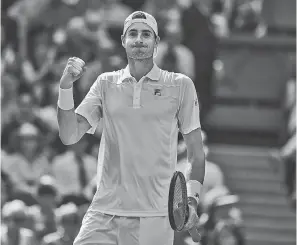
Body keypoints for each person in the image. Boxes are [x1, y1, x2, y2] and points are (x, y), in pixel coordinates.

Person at [57, 11, 205, 245]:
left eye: (146, 34)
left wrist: (192, 200)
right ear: (123, 41)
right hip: (104, 211)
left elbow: (196, 154)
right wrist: (65, 88)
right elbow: (68, 135)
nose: (139, 39)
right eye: (133, 33)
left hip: (155, 216)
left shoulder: (181, 85)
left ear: (156, 42)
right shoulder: (105, 83)